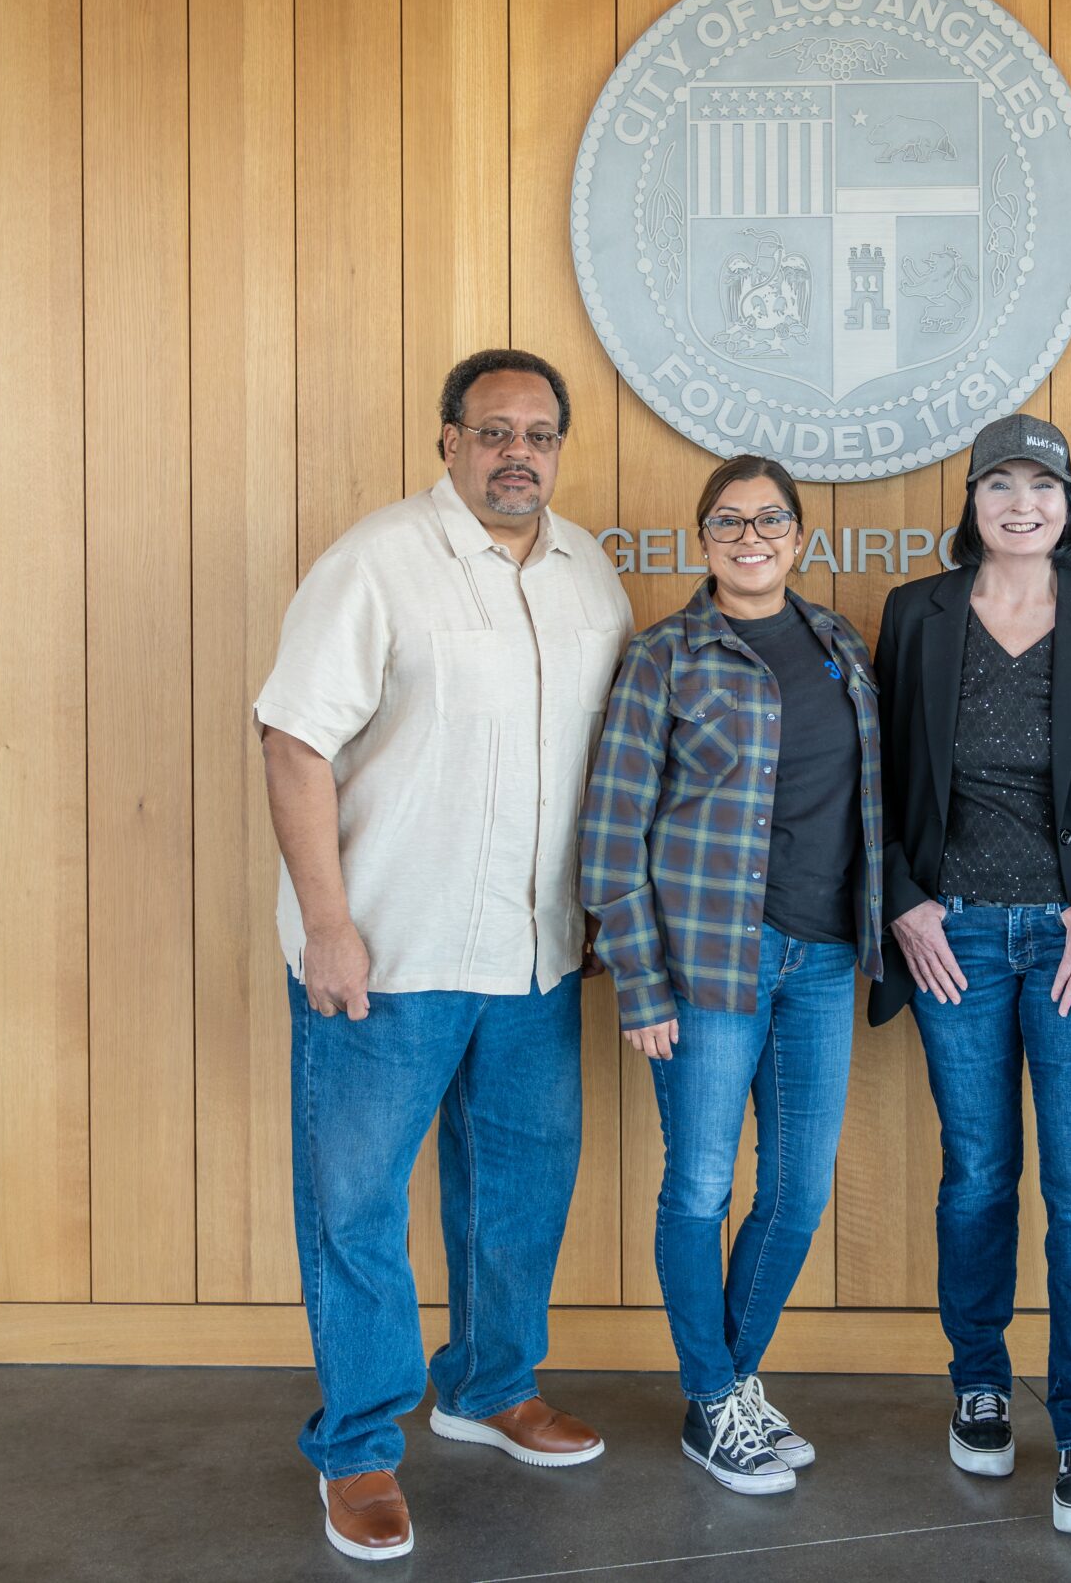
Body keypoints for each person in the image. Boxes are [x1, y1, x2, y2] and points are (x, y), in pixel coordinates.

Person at [255, 349, 634, 1564]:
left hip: (536, 956)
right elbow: (293, 742)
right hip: (390, 954)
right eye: (494, 430)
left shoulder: (590, 573)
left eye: (539, 433)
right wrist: (327, 923)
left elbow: (608, 765)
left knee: (522, 1186)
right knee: (358, 1203)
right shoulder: (376, 562)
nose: (518, 452)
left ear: (558, 448)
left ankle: (488, 1385)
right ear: (449, 442)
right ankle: (359, 1443)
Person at [870, 414, 1071, 1537]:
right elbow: (875, 778)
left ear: (1068, 502)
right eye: (999, 485)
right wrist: (903, 898)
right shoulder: (916, 614)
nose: (1021, 505)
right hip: (951, 938)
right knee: (976, 1175)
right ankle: (980, 1380)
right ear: (971, 503)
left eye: (1041, 485)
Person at [578, 455, 884, 1497]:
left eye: (769, 520)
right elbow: (611, 830)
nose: (751, 538)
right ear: (701, 537)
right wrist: (639, 980)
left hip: (823, 958)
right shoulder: (665, 656)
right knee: (701, 1185)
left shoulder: (841, 645)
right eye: (728, 521)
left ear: (800, 535)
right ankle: (715, 1398)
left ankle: (729, 1384)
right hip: (709, 961)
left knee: (798, 1191)